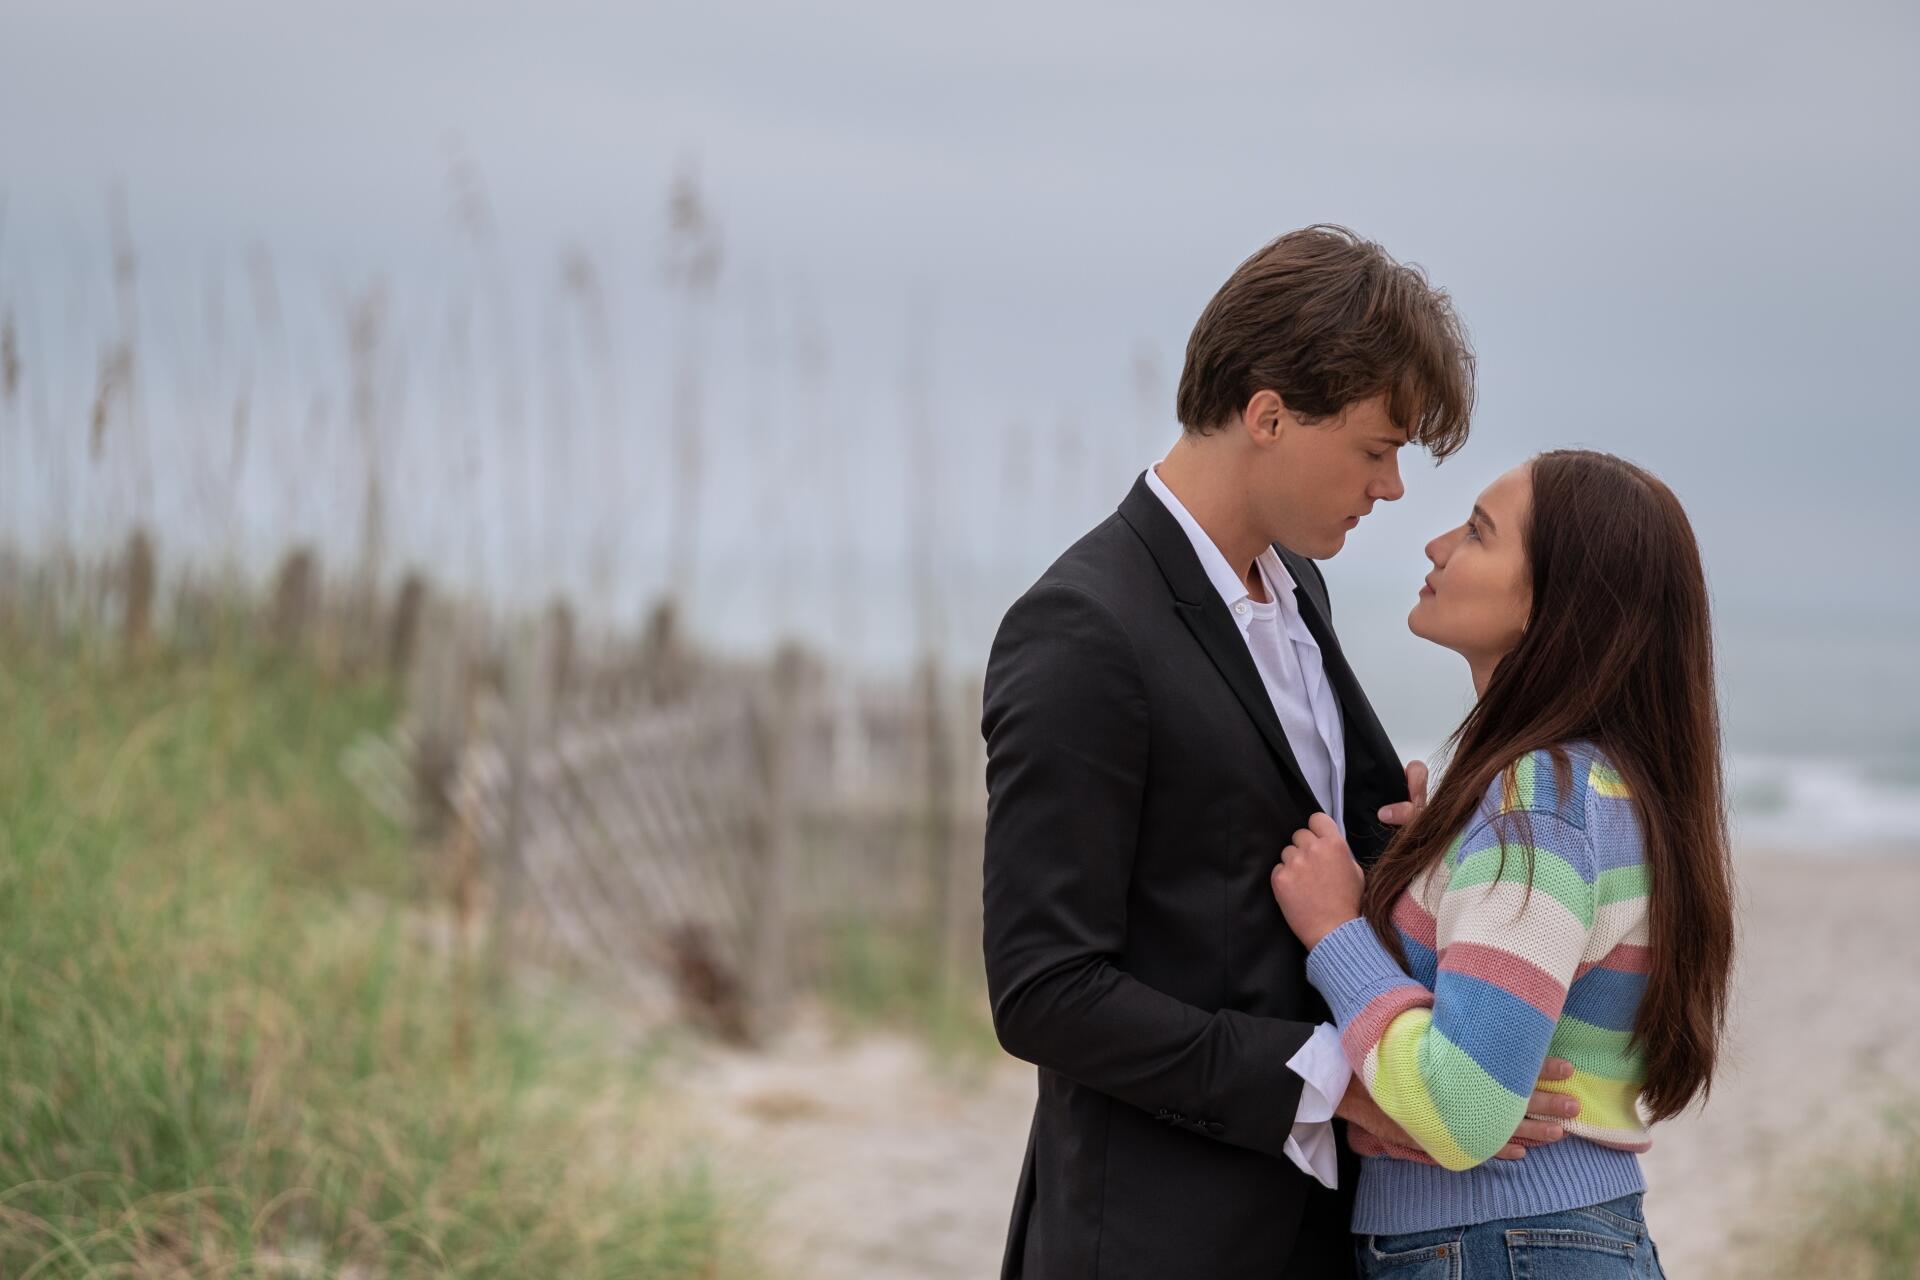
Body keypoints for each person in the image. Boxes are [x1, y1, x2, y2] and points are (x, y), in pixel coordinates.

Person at [981, 226, 1580, 1279]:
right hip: (1154, 1241)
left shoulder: (1301, 589)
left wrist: (1429, 846)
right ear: (1267, 415)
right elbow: (1045, 986)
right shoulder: (1084, 628)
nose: (1393, 486)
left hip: (1323, 1234)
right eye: (1375, 447)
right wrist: (1329, 1082)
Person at [1270, 450, 1735, 1278]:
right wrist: (1438, 858)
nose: (1436, 547)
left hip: (1499, 1244)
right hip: (1539, 1240)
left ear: (1553, 607)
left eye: (1479, 534)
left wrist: (1335, 930)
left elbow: (1463, 1108)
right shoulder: (1584, 789)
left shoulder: (1542, 800)